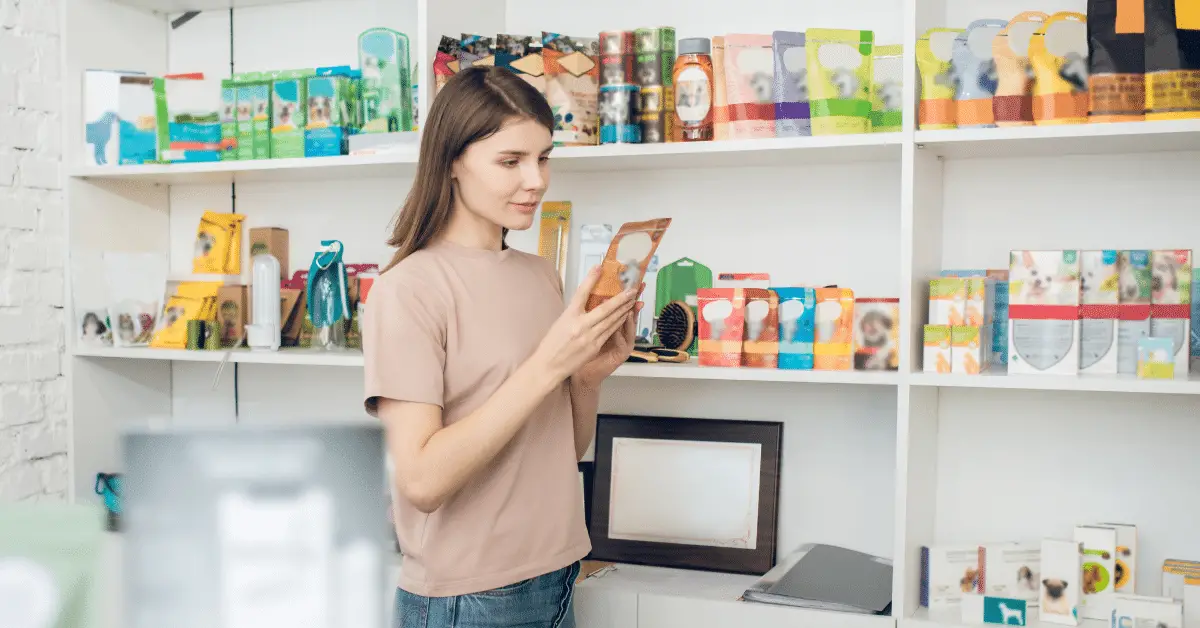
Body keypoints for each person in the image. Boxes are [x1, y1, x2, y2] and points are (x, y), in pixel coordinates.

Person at [363, 66, 641, 628]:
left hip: (557, 573)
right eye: (511, 161)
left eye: (543, 158)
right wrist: (547, 367)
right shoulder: (408, 289)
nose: (536, 180)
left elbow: (557, 452)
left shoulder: (540, 276)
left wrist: (586, 379)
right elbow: (421, 482)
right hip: (470, 598)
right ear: (451, 162)